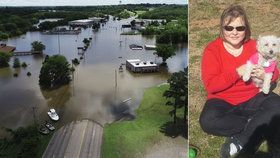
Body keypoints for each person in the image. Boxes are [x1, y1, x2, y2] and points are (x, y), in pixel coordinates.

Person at [199, 4, 280, 158]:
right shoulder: (212, 50)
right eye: (229, 28)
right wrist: (236, 72)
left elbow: (275, 71)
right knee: (207, 122)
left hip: (253, 97)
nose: (234, 32)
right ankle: (258, 123)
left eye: (240, 28)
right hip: (222, 100)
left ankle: (240, 140)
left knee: (278, 106)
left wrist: (266, 75)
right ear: (222, 28)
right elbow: (211, 85)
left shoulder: (255, 46)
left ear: (246, 28)